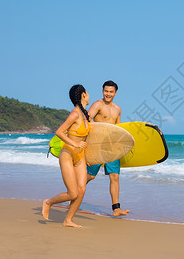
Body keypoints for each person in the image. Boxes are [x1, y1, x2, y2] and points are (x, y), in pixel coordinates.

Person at [42, 84, 91, 228]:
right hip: (68, 154)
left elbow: (87, 139)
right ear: (83, 94)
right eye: (87, 93)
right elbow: (59, 132)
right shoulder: (75, 113)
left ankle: (68, 220)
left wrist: (90, 157)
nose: (89, 95)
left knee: (82, 190)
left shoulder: (85, 114)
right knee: (72, 193)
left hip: (80, 156)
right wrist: (75, 145)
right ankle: (48, 202)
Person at [86, 80, 130, 217]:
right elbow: (86, 118)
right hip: (98, 145)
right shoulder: (98, 105)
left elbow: (118, 128)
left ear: (115, 93)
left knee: (115, 177)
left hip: (111, 147)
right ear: (102, 91)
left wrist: (121, 145)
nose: (108, 94)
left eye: (111, 92)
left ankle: (116, 208)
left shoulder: (118, 109)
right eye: (106, 91)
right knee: (90, 176)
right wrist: (97, 132)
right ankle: (73, 195)